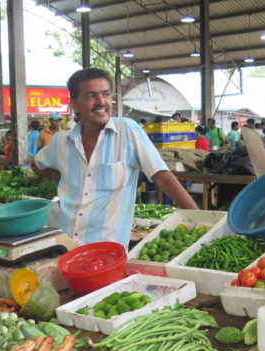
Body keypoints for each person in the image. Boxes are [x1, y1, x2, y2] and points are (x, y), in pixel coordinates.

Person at [32, 68, 198, 247]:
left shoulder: (127, 131)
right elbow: (36, 164)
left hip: (107, 252)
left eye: (105, 94)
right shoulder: (61, 141)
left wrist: (199, 218)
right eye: (91, 96)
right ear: (74, 104)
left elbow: (162, 176)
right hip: (63, 246)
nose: (101, 102)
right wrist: (65, 175)